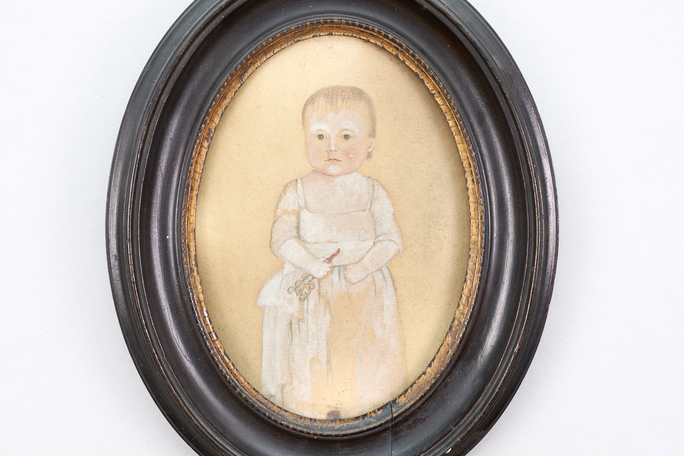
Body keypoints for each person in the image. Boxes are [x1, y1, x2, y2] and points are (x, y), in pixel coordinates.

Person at [257, 86, 406, 419]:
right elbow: (281, 239)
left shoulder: (372, 191)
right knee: (311, 362)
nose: (332, 147)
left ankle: (363, 415)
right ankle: (308, 413)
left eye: (346, 136)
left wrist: (363, 267)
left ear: (369, 144)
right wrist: (311, 264)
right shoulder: (296, 191)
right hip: (311, 293)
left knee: (360, 360)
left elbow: (391, 239)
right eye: (321, 136)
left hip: (364, 291)